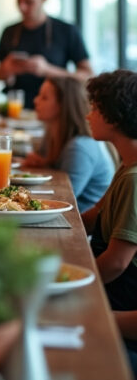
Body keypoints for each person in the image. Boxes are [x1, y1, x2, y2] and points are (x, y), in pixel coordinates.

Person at [81, 70, 137, 313]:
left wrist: (73, 285)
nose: (88, 115)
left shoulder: (133, 179)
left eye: (94, 108)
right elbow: (94, 216)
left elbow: (116, 262)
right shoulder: (127, 163)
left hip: (117, 299)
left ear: (113, 117)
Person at [0, 0, 92, 108]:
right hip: (16, 112)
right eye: (19, 1)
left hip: (57, 111)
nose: (22, 7)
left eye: (29, 2)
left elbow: (88, 76)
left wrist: (47, 70)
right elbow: (0, 75)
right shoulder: (9, 31)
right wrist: (7, 68)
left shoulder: (67, 30)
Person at [23, 77, 112, 212]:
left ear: (63, 105)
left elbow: (62, 200)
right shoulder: (51, 135)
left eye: (44, 98)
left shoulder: (79, 148)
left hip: (80, 223)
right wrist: (44, 165)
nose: (35, 101)